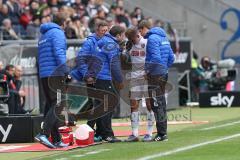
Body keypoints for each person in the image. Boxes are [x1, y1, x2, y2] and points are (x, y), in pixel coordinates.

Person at [35, 13, 69, 149]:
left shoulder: (44, 35)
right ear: (64, 23)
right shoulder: (58, 33)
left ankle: (56, 139)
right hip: (55, 74)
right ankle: (43, 133)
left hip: (44, 74)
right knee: (59, 104)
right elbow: (59, 53)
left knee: (52, 105)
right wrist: (66, 72)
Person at [138, 20, 175, 142]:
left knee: (156, 104)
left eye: (140, 30)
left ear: (144, 28)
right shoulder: (164, 38)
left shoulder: (152, 39)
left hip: (155, 75)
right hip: (163, 74)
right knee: (161, 103)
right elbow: (171, 57)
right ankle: (163, 132)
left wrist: (147, 71)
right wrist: (164, 68)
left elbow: (155, 58)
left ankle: (162, 134)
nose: (140, 33)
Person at [73, 21, 109, 142]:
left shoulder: (107, 42)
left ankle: (98, 132)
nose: (105, 33)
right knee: (97, 105)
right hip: (93, 78)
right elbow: (80, 59)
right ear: (97, 30)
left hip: (103, 78)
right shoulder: (90, 42)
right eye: (103, 31)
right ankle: (91, 131)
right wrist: (87, 75)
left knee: (101, 105)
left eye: (106, 30)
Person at [89, 25, 125, 143]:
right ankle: (107, 134)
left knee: (101, 106)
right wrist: (120, 80)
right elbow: (113, 64)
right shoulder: (111, 44)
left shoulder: (102, 41)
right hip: (104, 77)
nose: (123, 37)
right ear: (118, 35)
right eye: (122, 35)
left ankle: (99, 132)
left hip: (97, 77)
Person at [124, 28, 154, 142]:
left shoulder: (147, 43)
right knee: (133, 104)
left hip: (146, 77)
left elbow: (153, 57)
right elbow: (125, 61)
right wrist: (124, 52)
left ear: (137, 36)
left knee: (149, 104)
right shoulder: (129, 45)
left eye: (132, 39)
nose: (131, 41)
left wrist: (149, 71)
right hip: (134, 77)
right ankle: (135, 134)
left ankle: (149, 133)